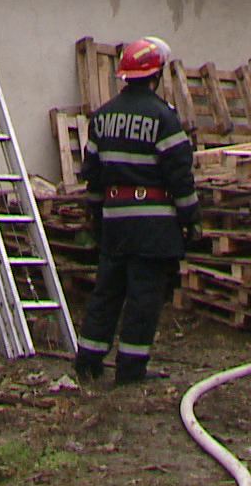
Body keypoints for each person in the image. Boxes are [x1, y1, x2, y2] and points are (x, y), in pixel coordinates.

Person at [72, 37, 199, 385]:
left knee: (107, 293)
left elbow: (92, 176)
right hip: (153, 226)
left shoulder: (102, 118)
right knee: (143, 299)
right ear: (155, 75)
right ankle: (130, 369)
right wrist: (191, 219)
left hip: (115, 222)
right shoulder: (163, 117)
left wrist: (98, 217)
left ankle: (88, 362)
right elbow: (180, 176)